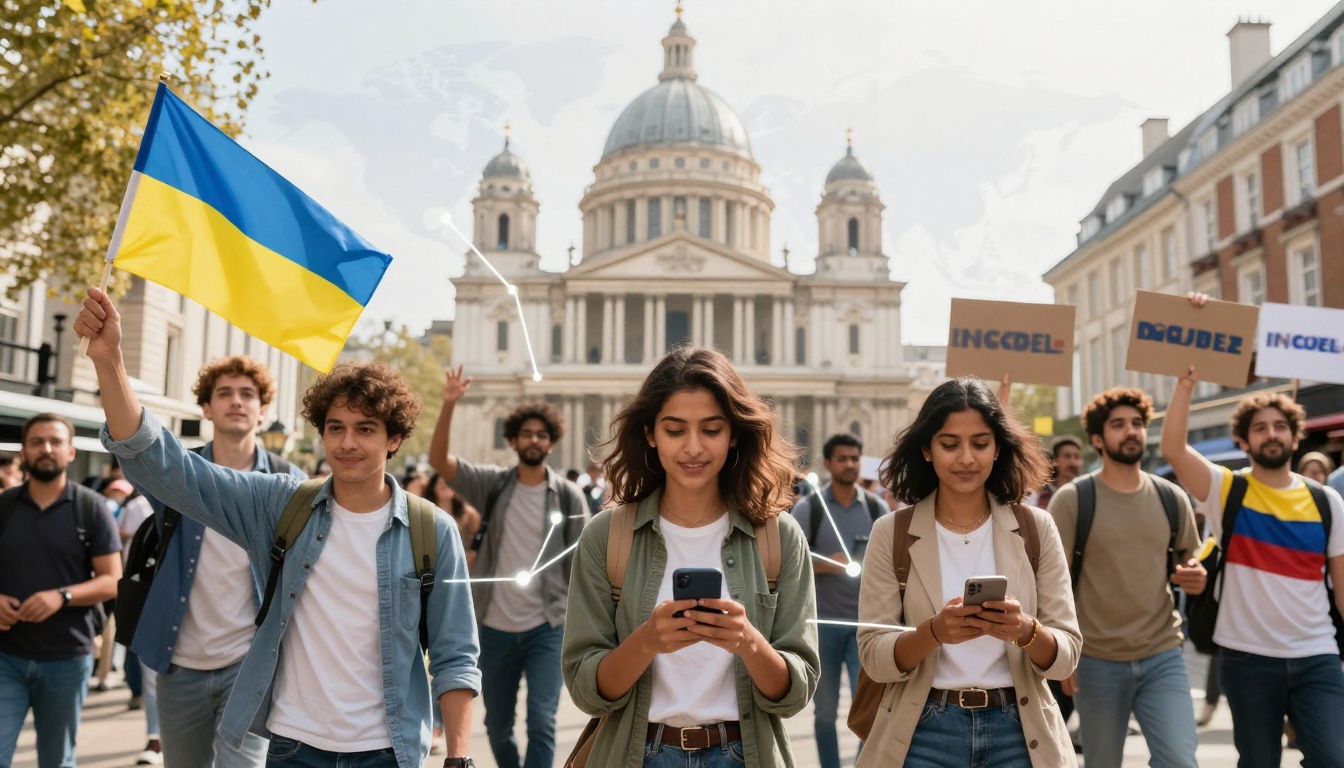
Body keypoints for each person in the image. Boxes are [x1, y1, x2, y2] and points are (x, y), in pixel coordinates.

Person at [75, 286, 481, 768]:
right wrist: (109, 362)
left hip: (388, 750)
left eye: (365, 429)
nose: (347, 442)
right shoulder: (279, 503)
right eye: (335, 428)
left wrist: (459, 757)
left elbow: (456, 655)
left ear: (393, 439)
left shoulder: (431, 530)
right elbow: (165, 467)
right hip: (291, 747)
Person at [562, 346, 819, 767]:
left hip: (743, 753)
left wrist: (747, 641)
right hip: (637, 753)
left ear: (734, 433)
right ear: (650, 433)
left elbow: (795, 691)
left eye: (712, 430)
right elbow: (586, 688)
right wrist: (647, 641)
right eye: (675, 430)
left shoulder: (778, 536)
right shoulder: (607, 536)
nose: (694, 448)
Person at [856, 377, 1081, 767]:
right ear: (927, 449)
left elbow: (1066, 657)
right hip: (922, 732)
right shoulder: (890, 532)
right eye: (950, 444)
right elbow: (874, 656)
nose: (966, 458)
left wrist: (1026, 630)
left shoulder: (1036, 528)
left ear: (997, 449)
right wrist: (934, 633)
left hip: (1020, 732)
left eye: (980, 443)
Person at [1161, 300, 1344, 767]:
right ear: (1244, 440)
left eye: (1280, 426)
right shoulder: (1228, 490)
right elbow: (1174, 449)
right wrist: (1186, 383)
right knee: (1259, 762)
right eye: (1260, 428)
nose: (1271, 434)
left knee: (1331, 757)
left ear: (1295, 436)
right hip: (1247, 660)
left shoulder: (1327, 501)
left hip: (1318, 654)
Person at [127, 355, 307, 768]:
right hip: (178, 662)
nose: (236, 402)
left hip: (251, 665)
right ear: (206, 408)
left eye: (248, 394)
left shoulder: (289, 483)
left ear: (263, 411)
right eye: (223, 393)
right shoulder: (177, 473)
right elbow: (133, 443)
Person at [428, 368, 588, 768]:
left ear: (551, 443)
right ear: (513, 439)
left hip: (548, 626)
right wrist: (449, 403)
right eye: (526, 433)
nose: (533, 440)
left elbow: (585, 565)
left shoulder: (568, 496)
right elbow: (438, 461)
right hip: (494, 627)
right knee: (497, 725)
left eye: (541, 434)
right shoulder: (493, 484)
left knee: (542, 722)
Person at [1047, 387, 1205, 768]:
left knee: (1180, 760)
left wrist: (1195, 576)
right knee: (1102, 762)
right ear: (1098, 438)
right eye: (1118, 425)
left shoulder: (1171, 497)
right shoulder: (1072, 499)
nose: (1131, 431)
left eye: (1137, 423)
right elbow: (1051, 585)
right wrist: (1063, 658)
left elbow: (1191, 561)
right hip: (1096, 660)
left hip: (1163, 652)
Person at [0, 413, 122, 768]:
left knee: (56, 760)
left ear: (71, 452)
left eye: (55, 442)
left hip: (67, 658)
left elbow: (112, 578)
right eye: (37, 442)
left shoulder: (91, 507)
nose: (46, 449)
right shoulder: (4, 507)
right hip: (6, 656)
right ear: (23, 451)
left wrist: (63, 596)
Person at [789, 432, 889, 768]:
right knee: (825, 712)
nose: (850, 465)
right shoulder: (810, 509)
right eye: (842, 458)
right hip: (823, 628)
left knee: (869, 711)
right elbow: (791, 565)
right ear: (829, 463)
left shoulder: (877, 508)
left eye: (855, 458)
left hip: (865, 628)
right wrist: (826, 562)